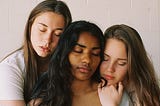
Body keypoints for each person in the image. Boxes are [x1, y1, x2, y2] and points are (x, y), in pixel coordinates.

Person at [30, 20, 123, 106]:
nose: (87, 60)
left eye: (95, 54)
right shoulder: (46, 94)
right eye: (78, 51)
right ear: (64, 52)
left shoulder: (110, 96)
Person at [0, 0, 72, 105]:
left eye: (58, 34)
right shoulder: (10, 67)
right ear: (30, 27)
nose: (47, 40)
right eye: (42, 30)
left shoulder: (68, 65)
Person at [100, 24, 160, 106]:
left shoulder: (145, 95)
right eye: (105, 59)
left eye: (121, 63)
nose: (110, 69)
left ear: (133, 65)